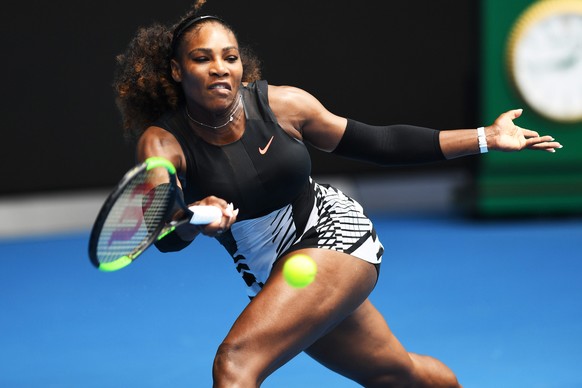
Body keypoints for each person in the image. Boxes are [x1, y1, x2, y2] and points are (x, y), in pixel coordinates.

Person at [112, 2, 561, 387]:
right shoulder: (162, 145)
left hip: (332, 238)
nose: (219, 68)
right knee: (396, 376)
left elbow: (381, 143)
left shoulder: (283, 105)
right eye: (201, 58)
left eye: (229, 57)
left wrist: (487, 136)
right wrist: (194, 216)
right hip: (272, 275)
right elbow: (166, 235)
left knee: (235, 363)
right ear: (177, 70)